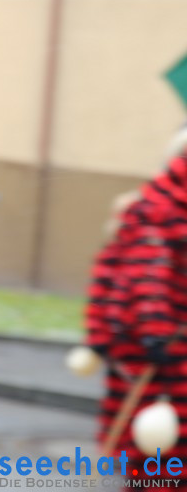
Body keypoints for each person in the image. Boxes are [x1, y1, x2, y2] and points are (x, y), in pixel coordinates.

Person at [85, 126, 187, 482]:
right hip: (161, 348)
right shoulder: (162, 208)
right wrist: (156, 335)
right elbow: (149, 276)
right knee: (160, 451)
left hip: (160, 342)